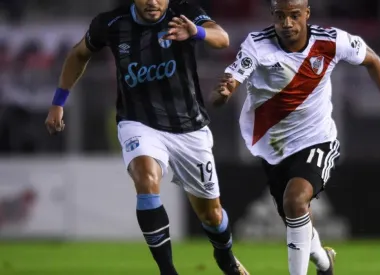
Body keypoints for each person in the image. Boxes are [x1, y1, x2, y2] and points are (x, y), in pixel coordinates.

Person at [44, 0, 249, 274]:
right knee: (146, 179)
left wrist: (196, 32)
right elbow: (79, 53)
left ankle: (225, 257)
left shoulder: (184, 13)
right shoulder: (111, 24)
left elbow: (222, 38)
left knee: (211, 216)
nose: (152, 2)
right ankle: (167, 270)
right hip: (139, 122)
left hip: (189, 128)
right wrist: (59, 102)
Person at [211, 0, 380, 274]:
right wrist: (222, 94)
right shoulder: (256, 44)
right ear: (272, 16)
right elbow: (230, 82)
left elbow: (373, 60)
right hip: (274, 146)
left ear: (307, 14)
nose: (287, 23)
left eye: (294, 16)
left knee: (295, 200)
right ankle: (326, 263)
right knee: (296, 218)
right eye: (280, 16)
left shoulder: (331, 41)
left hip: (317, 139)